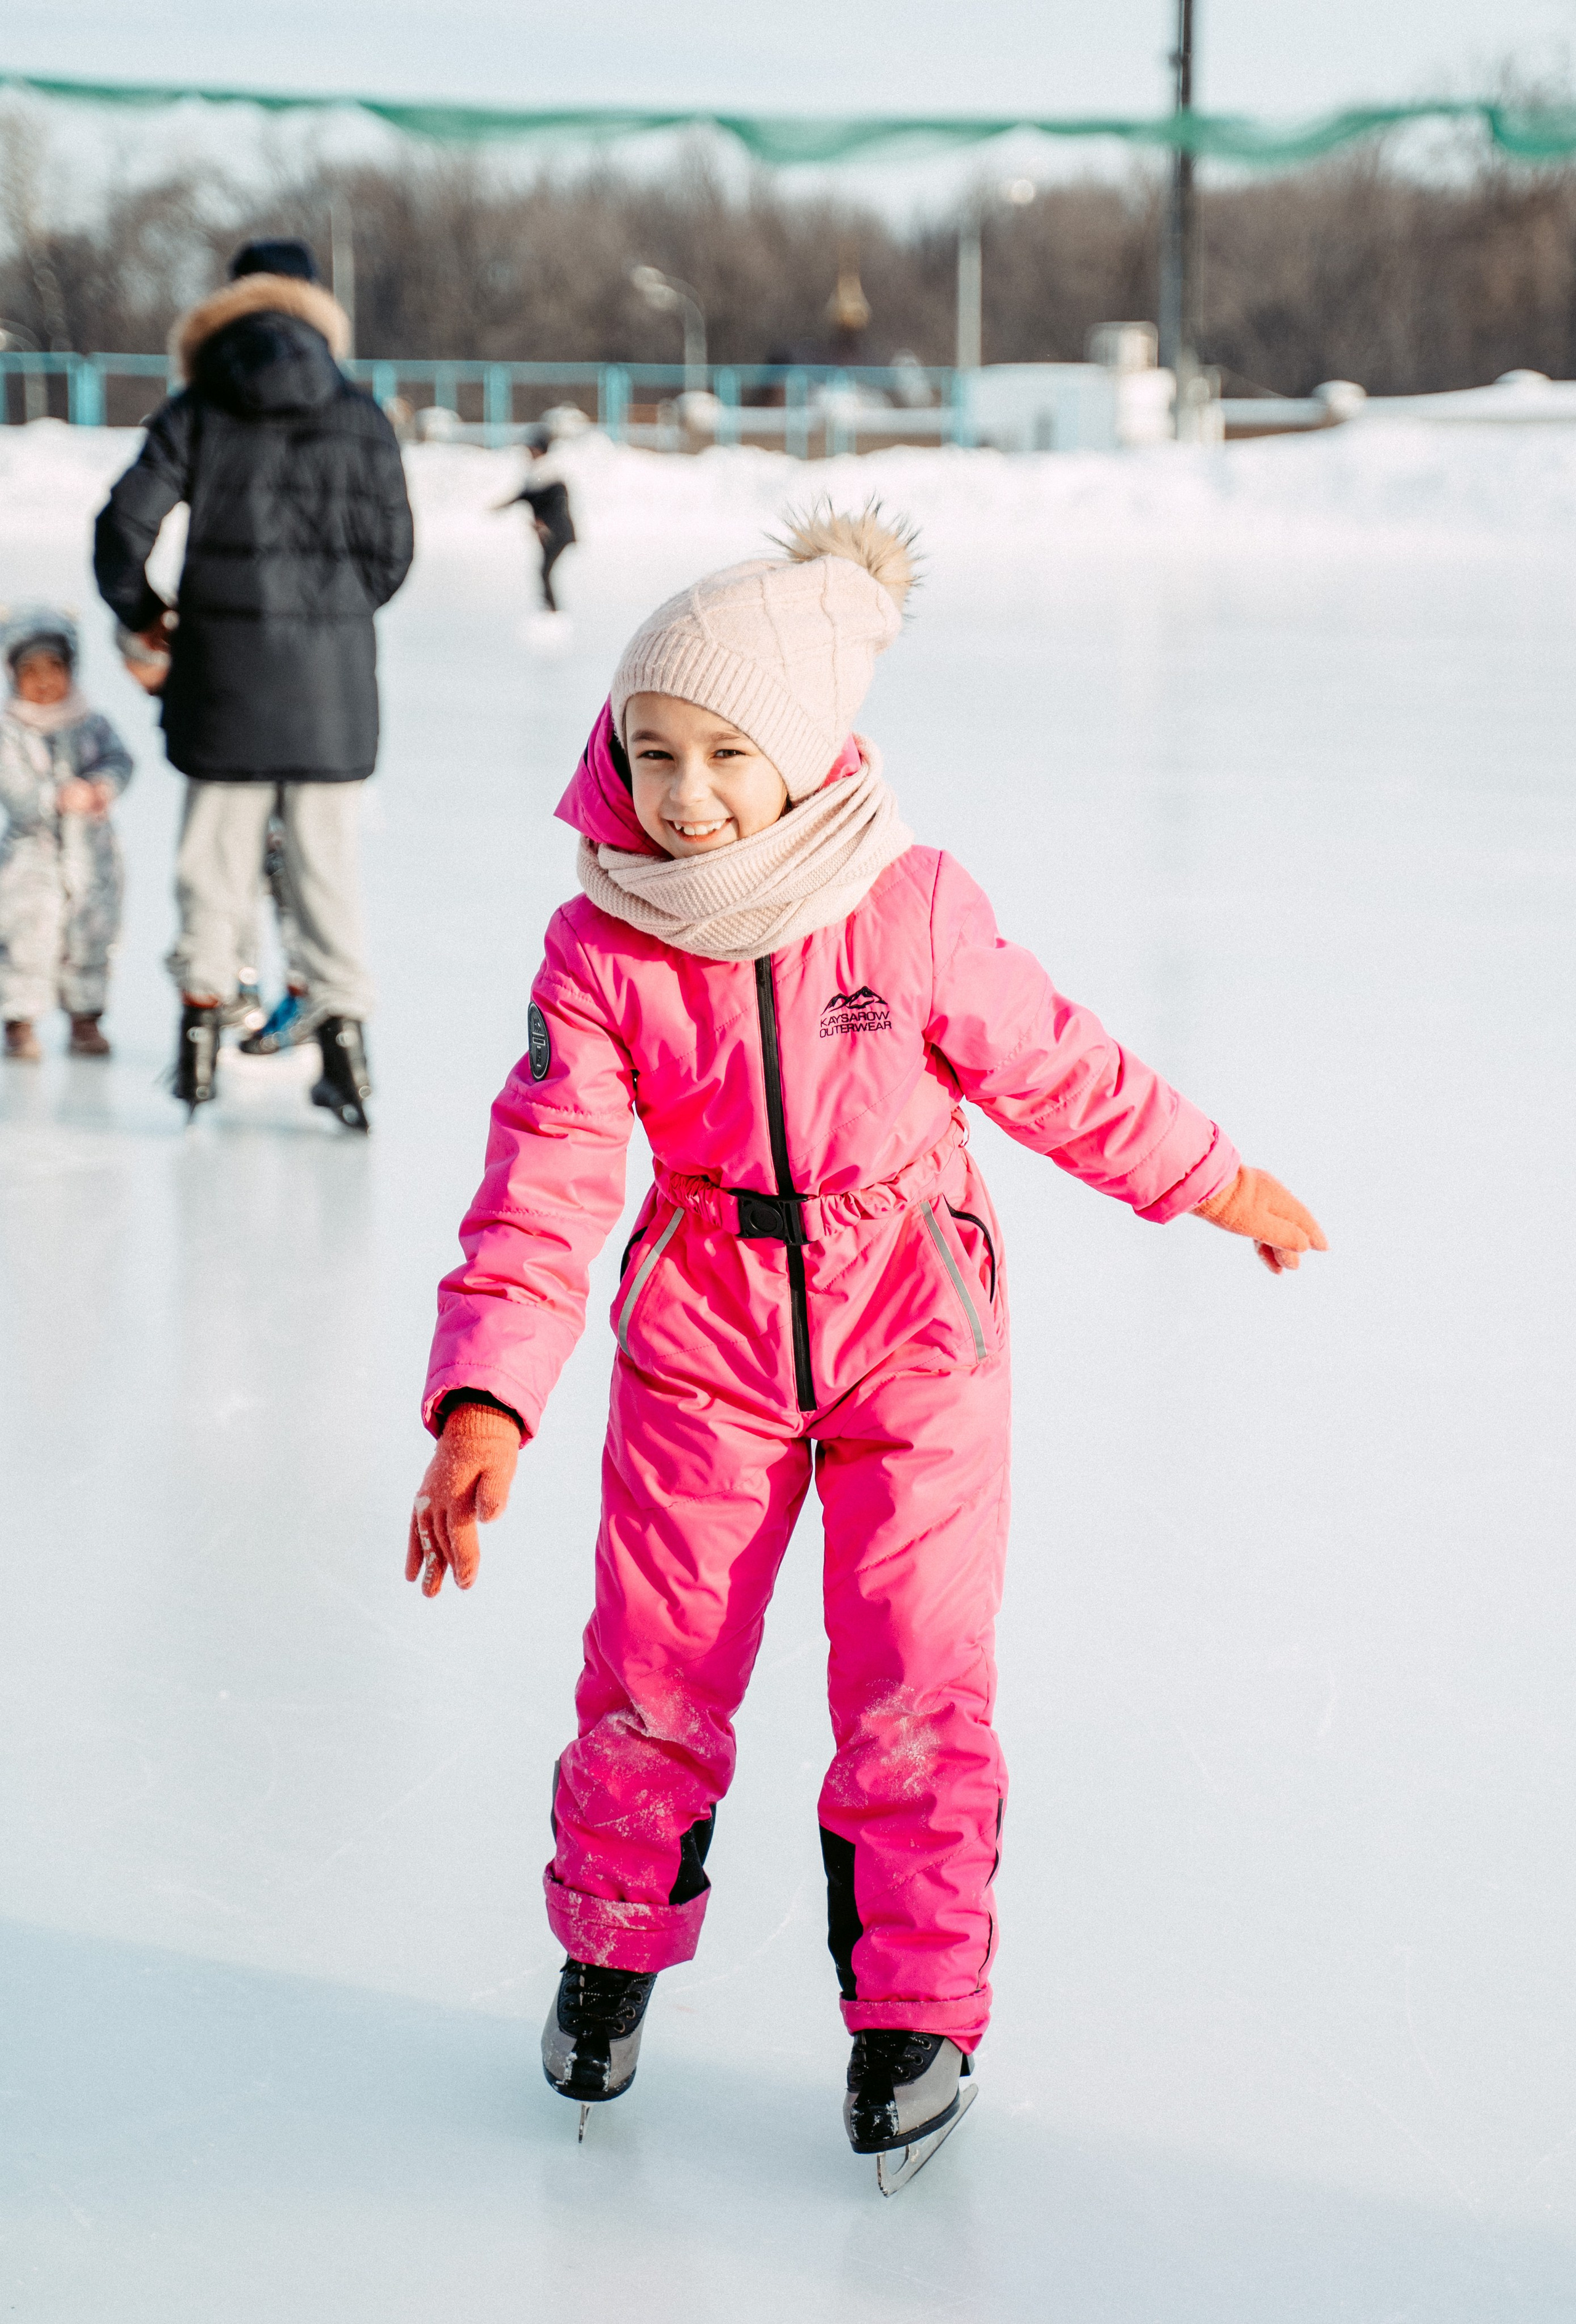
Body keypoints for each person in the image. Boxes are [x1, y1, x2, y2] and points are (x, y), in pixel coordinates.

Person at [404, 508, 1326, 2170]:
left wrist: (1215, 1178)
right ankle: (608, 1957)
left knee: (916, 1687)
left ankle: (913, 2012)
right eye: (654, 749)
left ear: (810, 752)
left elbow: (1059, 1069)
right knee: (652, 1680)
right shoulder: (604, 938)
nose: (684, 793)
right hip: (704, 1344)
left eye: (727, 754)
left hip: (917, 1328)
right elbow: (544, 1176)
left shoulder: (904, 907)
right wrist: (487, 1401)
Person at [92, 235, 414, 1129]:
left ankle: (197, 1048)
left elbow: (122, 527)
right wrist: (334, 622)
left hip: (223, 679)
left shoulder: (199, 405)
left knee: (214, 863)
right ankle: (345, 1060)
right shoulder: (360, 411)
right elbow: (393, 557)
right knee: (327, 869)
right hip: (331, 690)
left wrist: (149, 616)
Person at [0, 606, 133, 1062]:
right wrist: (55, 797)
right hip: (31, 858)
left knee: (91, 933)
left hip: (92, 854)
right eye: (29, 671)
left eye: (53, 668)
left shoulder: (90, 724)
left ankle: (86, 1018)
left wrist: (103, 786)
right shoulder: (10, 731)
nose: (43, 681)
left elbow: (119, 760)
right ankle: (19, 1021)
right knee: (28, 936)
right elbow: (15, 789)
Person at [494, 427, 576, 621]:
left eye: (533, 450)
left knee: (545, 569)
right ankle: (549, 607)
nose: (530, 454)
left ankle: (553, 611)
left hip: (557, 531)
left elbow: (558, 504)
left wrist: (545, 523)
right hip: (547, 531)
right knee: (544, 569)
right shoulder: (535, 474)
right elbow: (524, 496)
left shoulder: (550, 474)